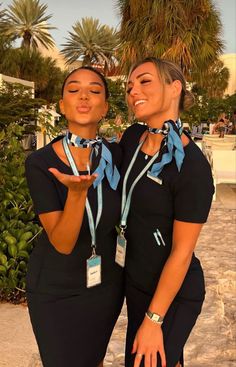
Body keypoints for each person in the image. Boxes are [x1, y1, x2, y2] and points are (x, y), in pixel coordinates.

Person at [25, 66, 124, 367]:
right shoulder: (41, 163)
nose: (84, 96)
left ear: (105, 107)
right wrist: (77, 194)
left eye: (94, 91)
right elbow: (63, 242)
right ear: (61, 105)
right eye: (73, 90)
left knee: (93, 360)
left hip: (105, 286)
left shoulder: (117, 156)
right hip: (56, 287)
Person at [119, 57, 214, 367]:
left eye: (145, 81)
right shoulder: (132, 138)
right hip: (137, 281)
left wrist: (154, 319)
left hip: (172, 292)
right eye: (130, 85)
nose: (133, 91)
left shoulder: (191, 165)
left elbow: (182, 253)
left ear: (175, 88)